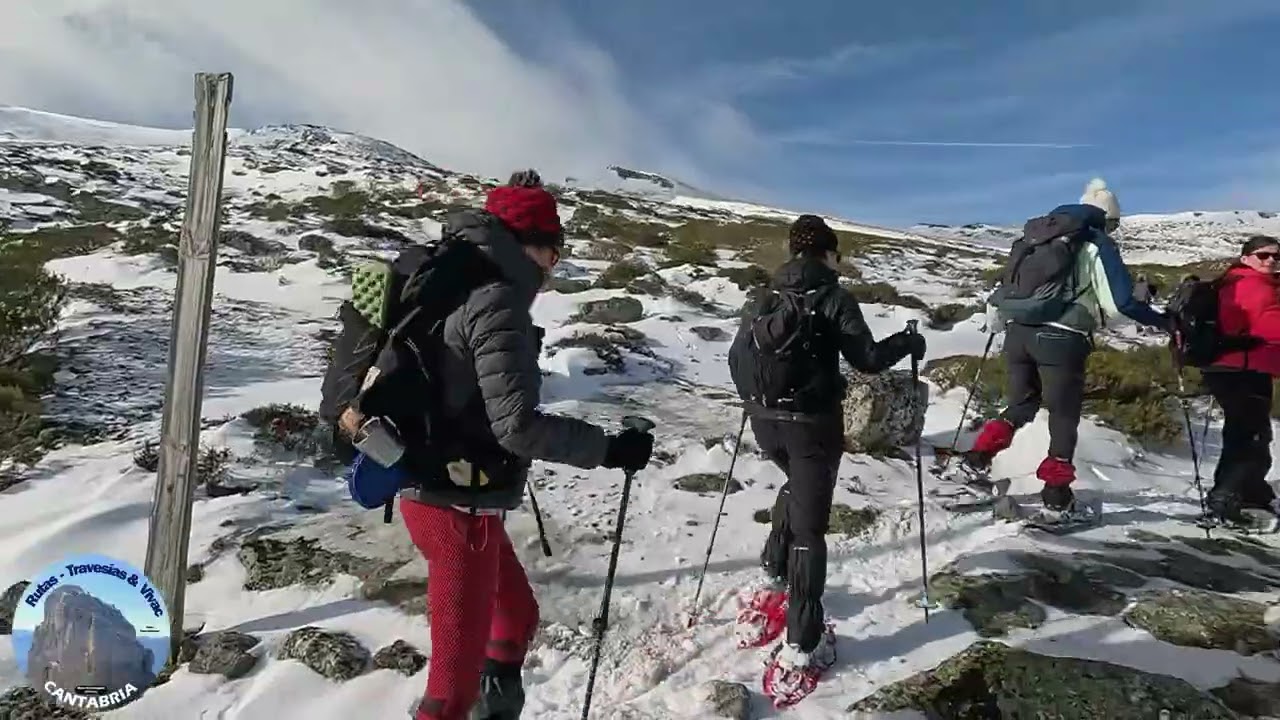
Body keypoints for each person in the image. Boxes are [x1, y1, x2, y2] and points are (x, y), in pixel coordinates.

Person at [343, 170, 656, 720]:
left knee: (514, 620)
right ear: (531, 248)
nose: (552, 273)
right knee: (448, 698)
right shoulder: (495, 300)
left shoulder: (451, 276)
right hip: (454, 504)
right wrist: (609, 450)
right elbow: (517, 426)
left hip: (444, 489)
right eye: (553, 257)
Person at [729, 214, 925, 702]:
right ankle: (802, 644)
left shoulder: (764, 295)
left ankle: (771, 582)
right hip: (812, 426)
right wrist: (908, 341)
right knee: (810, 531)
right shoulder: (833, 297)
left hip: (763, 419)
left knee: (795, 488)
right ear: (828, 253)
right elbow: (868, 361)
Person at [951, 179, 1168, 517]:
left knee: (1021, 403)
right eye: (1115, 224)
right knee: (1063, 417)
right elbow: (1119, 304)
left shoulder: (1036, 236)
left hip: (1018, 333)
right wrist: (1159, 318)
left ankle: (974, 459)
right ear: (1108, 219)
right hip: (1062, 339)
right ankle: (1056, 498)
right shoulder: (1096, 243)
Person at [1201, 234, 1280, 525]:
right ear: (1246, 258)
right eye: (1263, 255)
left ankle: (1252, 494)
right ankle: (1226, 500)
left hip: (1229, 367)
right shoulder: (1254, 285)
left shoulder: (1232, 280)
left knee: (1246, 433)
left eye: (1276, 256)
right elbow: (1271, 327)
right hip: (1243, 368)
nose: (1271, 260)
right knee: (1249, 437)